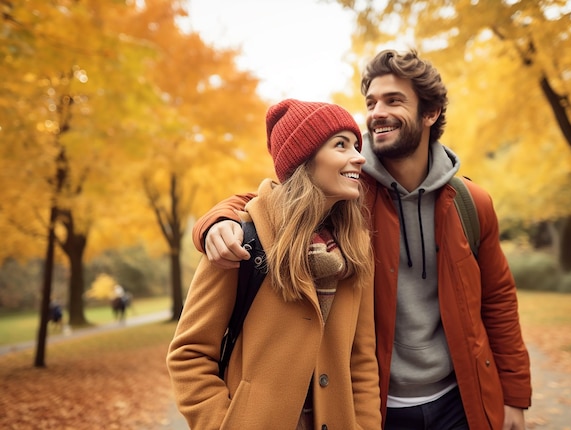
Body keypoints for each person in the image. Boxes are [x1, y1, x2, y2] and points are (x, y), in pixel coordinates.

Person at [191, 49, 532, 429]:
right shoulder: (349, 195)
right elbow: (278, 197)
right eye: (370, 102)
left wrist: (515, 396)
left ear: (430, 113)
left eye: (394, 100)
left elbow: (499, 300)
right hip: (382, 407)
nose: (376, 112)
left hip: (458, 400)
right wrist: (215, 221)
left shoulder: (470, 203)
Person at [167, 99, 381, 429]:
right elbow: (189, 354)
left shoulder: (356, 250)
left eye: (355, 145)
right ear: (304, 159)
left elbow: (361, 361)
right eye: (341, 145)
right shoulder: (240, 240)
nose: (359, 156)